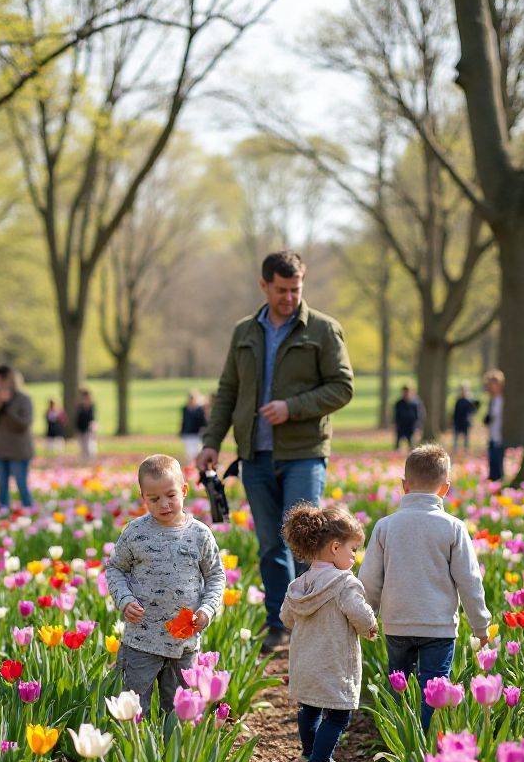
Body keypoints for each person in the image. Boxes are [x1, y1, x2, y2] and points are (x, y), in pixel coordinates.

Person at [196, 250, 354, 656]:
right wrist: (212, 441)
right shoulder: (244, 332)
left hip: (303, 452)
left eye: (295, 289)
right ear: (264, 285)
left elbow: (342, 387)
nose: (288, 297)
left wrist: (292, 407)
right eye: (281, 289)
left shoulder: (322, 329)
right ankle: (278, 624)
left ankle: (314, 621)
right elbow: (228, 390)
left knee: (307, 543)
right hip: (255, 456)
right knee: (270, 545)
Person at [360, 444, 490, 733]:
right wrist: (480, 627)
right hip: (438, 626)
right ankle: (428, 745)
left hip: (397, 624)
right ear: (445, 489)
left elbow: (369, 579)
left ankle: (399, 738)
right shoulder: (453, 528)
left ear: (404, 486)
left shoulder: (385, 526)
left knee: (400, 685)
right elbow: (470, 581)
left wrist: (366, 618)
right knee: (434, 689)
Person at [105, 454, 226, 717]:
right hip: (141, 640)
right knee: (135, 710)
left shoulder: (200, 534)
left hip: (184, 643)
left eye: (170, 495)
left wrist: (207, 609)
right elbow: (115, 568)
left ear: (184, 490)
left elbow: (216, 576)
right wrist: (124, 600)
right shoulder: (135, 533)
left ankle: (172, 757)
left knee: (178, 713)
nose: (164, 504)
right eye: (154, 498)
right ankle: (137, 755)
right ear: (143, 497)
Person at [279, 503, 377, 762]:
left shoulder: (299, 584)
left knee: (308, 709)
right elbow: (359, 614)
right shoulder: (345, 583)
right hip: (334, 662)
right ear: (335, 548)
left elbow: (286, 617)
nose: (355, 557)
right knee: (338, 715)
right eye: (353, 549)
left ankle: (311, 753)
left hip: (305, 662)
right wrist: (370, 626)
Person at [0, 366, 34, 508]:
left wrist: (7, 407)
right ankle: (3, 513)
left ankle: (29, 511)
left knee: (21, 485)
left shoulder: (23, 399)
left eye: (0, 381)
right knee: (2, 487)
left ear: (9, 380)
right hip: (1, 450)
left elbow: (23, 424)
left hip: (19, 451)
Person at [484, 369, 505, 482]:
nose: (490, 387)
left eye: (492, 384)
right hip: (493, 435)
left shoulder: (501, 400)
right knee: (492, 461)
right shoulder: (493, 400)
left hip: (499, 436)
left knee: (497, 461)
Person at [179, 390, 208, 465]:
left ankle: (197, 466)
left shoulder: (200, 409)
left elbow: (203, 422)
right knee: (189, 453)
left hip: (197, 434)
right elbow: (183, 421)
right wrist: (181, 431)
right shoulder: (185, 409)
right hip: (188, 434)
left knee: (197, 452)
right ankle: (191, 467)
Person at [393, 386, 424, 450]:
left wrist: (418, 427)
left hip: (411, 426)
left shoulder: (415, 403)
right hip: (401, 425)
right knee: (398, 442)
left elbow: (418, 416)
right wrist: (396, 424)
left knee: (411, 443)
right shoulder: (399, 403)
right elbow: (396, 415)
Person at [452, 385, 478, 449]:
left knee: (466, 439)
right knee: (456, 438)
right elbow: (455, 412)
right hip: (458, 421)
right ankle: (455, 450)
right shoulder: (458, 401)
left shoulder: (469, 401)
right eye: (462, 390)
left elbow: (474, 410)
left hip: (466, 422)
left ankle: (465, 450)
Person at [75, 388, 97, 462]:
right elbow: (77, 418)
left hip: (88, 428)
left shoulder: (91, 406)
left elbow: (92, 417)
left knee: (89, 444)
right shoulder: (79, 406)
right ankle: (84, 459)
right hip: (80, 428)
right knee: (82, 445)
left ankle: (90, 459)